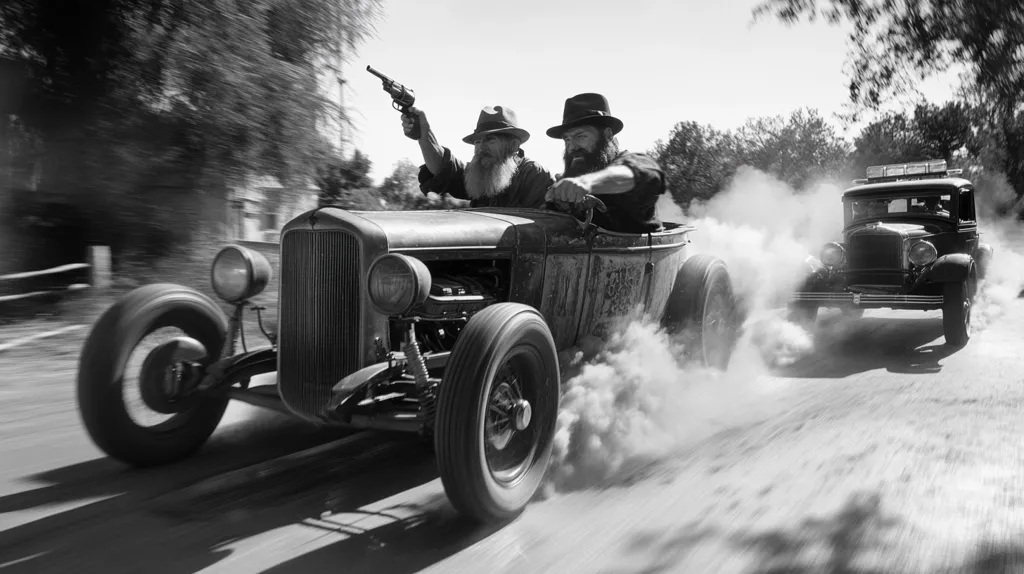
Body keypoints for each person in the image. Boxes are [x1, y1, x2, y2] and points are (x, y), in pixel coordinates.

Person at [544, 93, 667, 233]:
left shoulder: (636, 163)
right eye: (567, 140)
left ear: (608, 135)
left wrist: (586, 183)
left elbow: (642, 175)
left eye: (581, 136)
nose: (572, 147)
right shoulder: (566, 184)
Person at [401, 105, 554, 208]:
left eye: (490, 139)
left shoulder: (533, 174)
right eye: (478, 141)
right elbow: (444, 168)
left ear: (514, 145)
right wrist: (423, 134)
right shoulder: (479, 174)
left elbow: (538, 234)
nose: (481, 148)